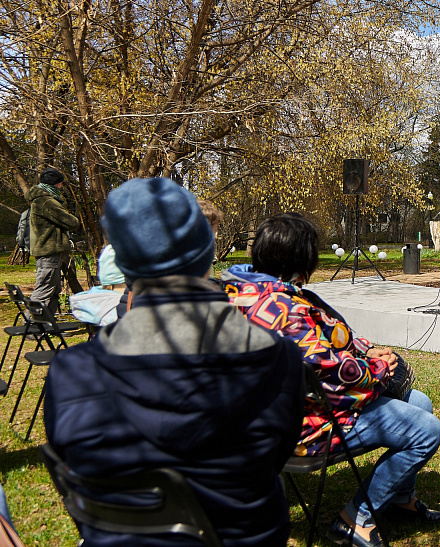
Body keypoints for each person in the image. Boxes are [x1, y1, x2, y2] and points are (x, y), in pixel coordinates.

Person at [45, 178, 305, 547]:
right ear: (205, 251)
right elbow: (275, 460)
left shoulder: (71, 373)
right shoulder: (279, 360)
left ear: (124, 263)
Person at [224, 213, 440, 547]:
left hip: (263, 418)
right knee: (427, 429)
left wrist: (368, 350)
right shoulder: (283, 310)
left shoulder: (240, 293)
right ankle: (355, 520)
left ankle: (400, 497)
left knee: (421, 404)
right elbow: (331, 375)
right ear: (301, 258)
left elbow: (329, 347)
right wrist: (380, 369)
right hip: (299, 428)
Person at [28, 168, 82, 315]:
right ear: (54, 184)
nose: (62, 186)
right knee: (45, 289)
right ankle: (30, 324)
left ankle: (46, 324)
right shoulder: (46, 201)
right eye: (60, 183)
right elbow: (71, 222)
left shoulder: (42, 199)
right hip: (48, 251)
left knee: (54, 290)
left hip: (50, 251)